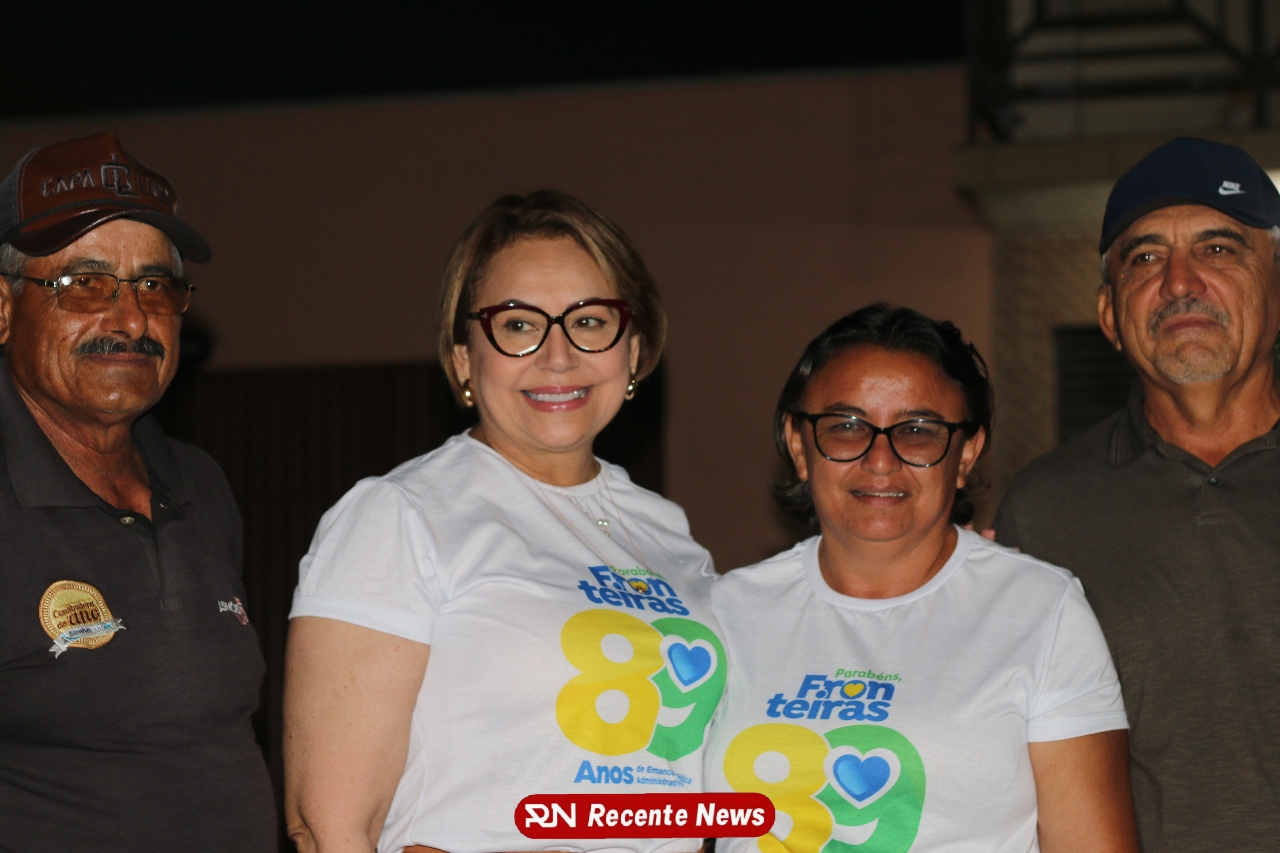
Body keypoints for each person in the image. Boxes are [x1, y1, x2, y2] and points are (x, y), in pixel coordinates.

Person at [284, 190, 725, 853]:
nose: (558, 356)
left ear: (633, 350)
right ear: (465, 357)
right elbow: (330, 828)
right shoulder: (401, 515)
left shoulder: (668, 531)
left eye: (590, 320)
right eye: (518, 325)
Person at [704, 305, 1138, 853]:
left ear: (966, 454)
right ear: (799, 445)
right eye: (846, 426)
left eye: (917, 431)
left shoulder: (1041, 610)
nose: (880, 460)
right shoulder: (725, 610)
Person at [994, 137, 1280, 852]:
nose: (1180, 282)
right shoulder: (1045, 511)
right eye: (1145, 258)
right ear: (1108, 314)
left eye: (1219, 249)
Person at [0, 132, 276, 850]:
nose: (129, 318)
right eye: (84, 284)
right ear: (3, 308)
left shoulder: (201, 485)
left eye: (154, 286)